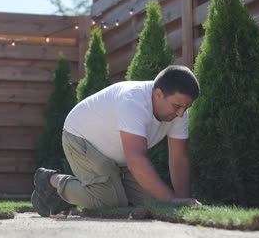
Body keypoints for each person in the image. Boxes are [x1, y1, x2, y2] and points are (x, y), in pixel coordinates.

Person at [32, 65, 201, 217]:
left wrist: (181, 201)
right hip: (81, 138)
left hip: (118, 155)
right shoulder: (133, 101)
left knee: (152, 201)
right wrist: (171, 200)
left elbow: (179, 159)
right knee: (109, 202)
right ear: (158, 94)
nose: (181, 113)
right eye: (177, 106)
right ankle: (51, 180)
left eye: (186, 108)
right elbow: (136, 159)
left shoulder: (179, 113)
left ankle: (79, 194)